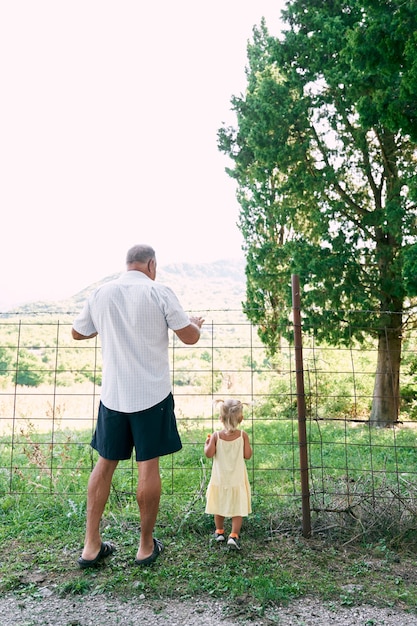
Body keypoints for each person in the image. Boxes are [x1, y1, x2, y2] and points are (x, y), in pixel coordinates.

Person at [71, 244, 204, 568]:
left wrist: (111, 326)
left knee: (104, 465)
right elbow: (189, 337)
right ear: (151, 264)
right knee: (148, 467)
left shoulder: (101, 294)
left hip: (114, 396)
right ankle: (145, 547)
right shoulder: (160, 292)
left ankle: (91, 546)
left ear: (127, 264)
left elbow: (78, 332)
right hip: (151, 397)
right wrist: (196, 322)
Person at [204, 398, 252, 550]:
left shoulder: (216, 436)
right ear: (241, 419)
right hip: (237, 479)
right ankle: (234, 535)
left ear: (220, 418)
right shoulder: (243, 435)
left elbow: (209, 454)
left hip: (220, 479)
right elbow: (248, 455)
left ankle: (219, 532)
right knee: (237, 508)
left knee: (219, 504)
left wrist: (207, 445)